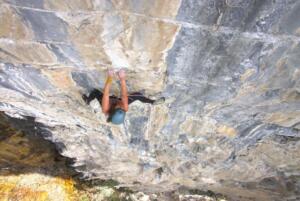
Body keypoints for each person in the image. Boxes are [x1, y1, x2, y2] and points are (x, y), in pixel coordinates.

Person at [83, 69, 164, 125]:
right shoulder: (124, 108)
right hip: (117, 100)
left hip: (109, 100)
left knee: (95, 92)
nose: (122, 107)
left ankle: (88, 101)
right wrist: (122, 78)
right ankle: (152, 102)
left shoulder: (105, 108)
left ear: (113, 110)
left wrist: (110, 76)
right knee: (138, 95)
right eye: (121, 108)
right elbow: (124, 95)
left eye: (120, 107)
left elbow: (106, 93)